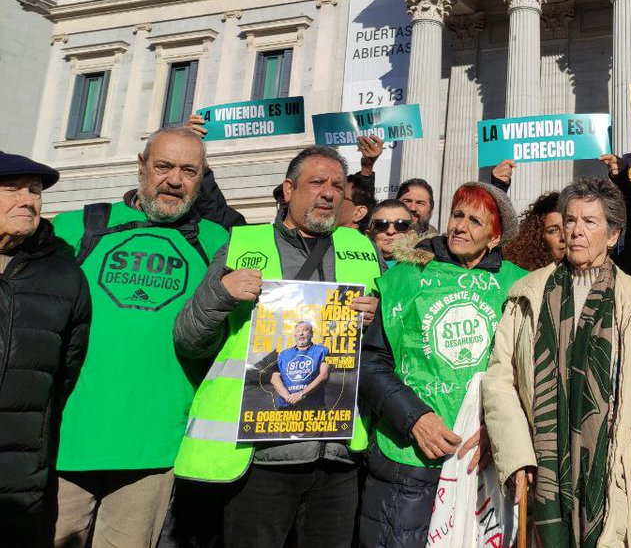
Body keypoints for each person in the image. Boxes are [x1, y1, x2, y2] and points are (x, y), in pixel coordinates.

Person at [172, 145, 383, 548]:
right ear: (288, 190)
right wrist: (221, 293)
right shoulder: (242, 245)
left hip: (337, 457)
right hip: (261, 458)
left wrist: (378, 320)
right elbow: (189, 338)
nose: (329, 193)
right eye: (317, 182)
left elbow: (384, 352)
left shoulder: (364, 251)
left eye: (337, 186)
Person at [51, 127, 229, 548]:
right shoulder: (77, 227)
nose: (174, 180)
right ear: (141, 166)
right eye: (164, 166)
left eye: (189, 171)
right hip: (67, 439)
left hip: (155, 448)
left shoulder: (218, 241)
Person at [483, 177, 631, 548]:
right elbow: (500, 378)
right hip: (541, 478)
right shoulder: (527, 296)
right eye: (570, 220)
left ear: (613, 235)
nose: (576, 231)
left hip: (612, 484)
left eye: (590, 222)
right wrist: (516, 454)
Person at [358, 182, 525, 548]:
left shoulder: (519, 285)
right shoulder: (406, 276)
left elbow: (527, 375)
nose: (460, 226)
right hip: (408, 463)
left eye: (475, 221)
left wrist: (499, 431)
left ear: (495, 237)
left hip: (482, 461)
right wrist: (414, 418)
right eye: (457, 214)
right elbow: (370, 364)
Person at [0, 153, 90, 548]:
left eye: (34, 191)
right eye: (12, 189)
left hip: (19, 477)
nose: (28, 200)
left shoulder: (65, 275)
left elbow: (67, 371)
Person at [271, 321, 329, 411]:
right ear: (295, 336)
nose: (301, 333)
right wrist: (288, 397)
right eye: (298, 331)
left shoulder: (322, 351)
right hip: (287, 405)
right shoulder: (283, 354)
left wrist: (302, 394)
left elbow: (324, 375)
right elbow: (274, 378)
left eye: (305, 330)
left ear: (311, 334)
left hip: (313, 406)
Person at [503, 190, 565, 271]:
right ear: (540, 238)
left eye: (568, 226)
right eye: (553, 230)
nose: (563, 237)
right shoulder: (524, 276)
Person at [365, 199, 420, 266]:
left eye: (401, 225)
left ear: (411, 234)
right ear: (368, 234)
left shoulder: (424, 267)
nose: (390, 231)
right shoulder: (356, 264)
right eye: (381, 225)